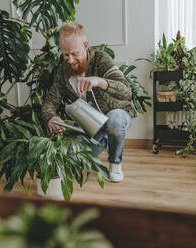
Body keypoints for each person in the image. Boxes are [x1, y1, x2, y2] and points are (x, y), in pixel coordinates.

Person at [41, 22, 135, 183]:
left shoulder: (100, 59)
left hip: (117, 114)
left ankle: (115, 163)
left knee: (115, 120)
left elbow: (126, 91)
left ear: (85, 45)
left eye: (74, 53)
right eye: (65, 55)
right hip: (92, 127)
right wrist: (51, 117)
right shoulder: (63, 72)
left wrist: (100, 81)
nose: (70, 60)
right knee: (70, 156)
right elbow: (50, 101)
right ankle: (103, 140)